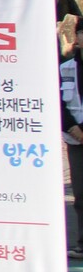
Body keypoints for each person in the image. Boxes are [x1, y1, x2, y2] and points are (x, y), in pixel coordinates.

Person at [59, 22, 83, 260]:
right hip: (75, 138)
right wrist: (72, 127)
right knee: (80, 193)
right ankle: (82, 244)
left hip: (79, 131)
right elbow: (59, 101)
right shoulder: (65, 67)